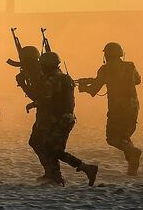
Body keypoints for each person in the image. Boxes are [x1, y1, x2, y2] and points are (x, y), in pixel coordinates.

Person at [78, 42, 143, 175]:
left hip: (117, 109)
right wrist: (98, 80)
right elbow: (137, 80)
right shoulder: (130, 66)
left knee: (112, 138)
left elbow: (93, 90)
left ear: (106, 55)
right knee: (124, 136)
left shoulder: (105, 69)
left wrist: (83, 87)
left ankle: (133, 153)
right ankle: (132, 171)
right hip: (133, 108)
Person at [36, 52, 98, 187]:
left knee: (54, 150)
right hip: (67, 118)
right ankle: (56, 175)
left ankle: (86, 168)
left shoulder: (51, 80)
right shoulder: (66, 78)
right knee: (51, 148)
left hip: (59, 120)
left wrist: (34, 101)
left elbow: (45, 99)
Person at [11, 45, 50, 180]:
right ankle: (51, 172)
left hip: (49, 114)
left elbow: (38, 96)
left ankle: (52, 172)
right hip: (46, 113)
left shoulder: (38, 74)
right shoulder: (39, 71)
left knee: (38, 142)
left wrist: (23, 84)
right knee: (40, 142)